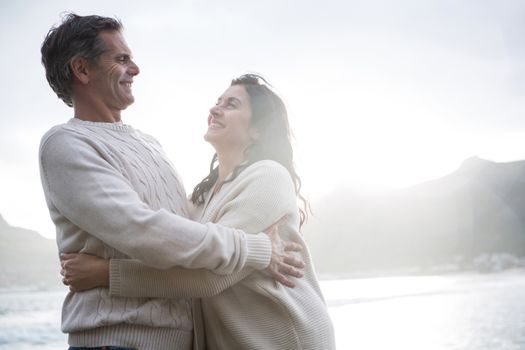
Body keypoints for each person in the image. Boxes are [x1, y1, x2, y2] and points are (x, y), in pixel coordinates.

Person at [39, 14, 304, 350]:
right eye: (121, 59)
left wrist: (108, 273)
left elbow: (185, 239)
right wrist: (258, 249)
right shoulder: (67, 143)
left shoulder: (151, 145)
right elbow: (143, 230)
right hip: (117, 341)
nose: (135, 69)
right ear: (82, 70)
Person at [62, 74, 336, 349]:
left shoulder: (268, 177)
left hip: (283, 339)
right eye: (217, 101)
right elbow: (175, 252)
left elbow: (207, 278)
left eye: (231, 104)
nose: (215, 109)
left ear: (258, 129)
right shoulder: (200, 199)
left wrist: (108, 274)